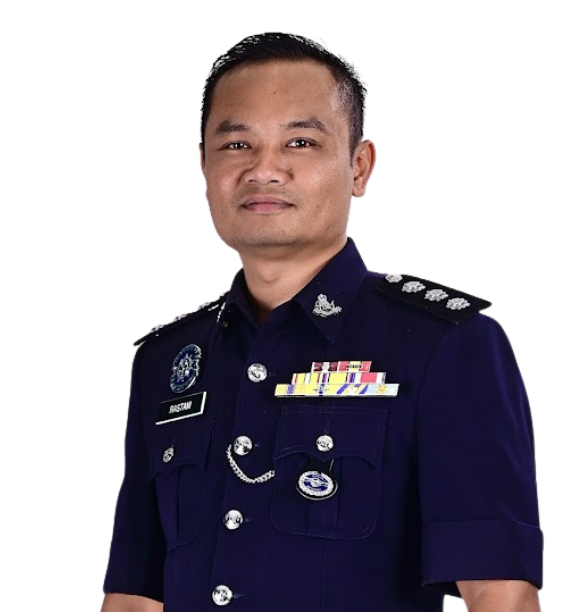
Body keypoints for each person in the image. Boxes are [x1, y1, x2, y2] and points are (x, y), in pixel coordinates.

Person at [101, 33, 543, 612]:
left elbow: (500, 594)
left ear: (358, 167)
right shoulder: (167, 362)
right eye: (236, 144)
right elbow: (134, 596)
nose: (264, 169)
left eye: (300, 141)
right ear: (204, 164)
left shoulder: (445, 346)